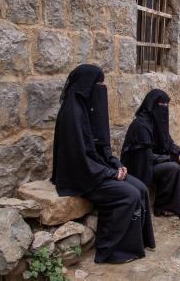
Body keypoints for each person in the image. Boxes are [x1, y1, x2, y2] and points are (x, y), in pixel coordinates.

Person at [51, 64, 155, 264]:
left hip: (96, 169)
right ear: (86, 85)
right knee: (128, 194)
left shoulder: (87, 110)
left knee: (140, 188)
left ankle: (137, 243)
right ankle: (111, 250)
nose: (101, 88)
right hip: (80, 176)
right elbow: (79, 160)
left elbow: (99, 147)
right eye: (98, 84)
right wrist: (109, 174)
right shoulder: (72, 114)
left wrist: (115, 165)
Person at [121, 89, 180, 219]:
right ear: (151, 106)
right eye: (161, 106)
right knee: (173, 167)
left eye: (166, 106)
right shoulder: (141, 126)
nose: (164, 109)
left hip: (151, 162)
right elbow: (146, 157)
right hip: (139, 167)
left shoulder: (157, 123)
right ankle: (164, 207)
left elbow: (168, 143)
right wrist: (173, 159)